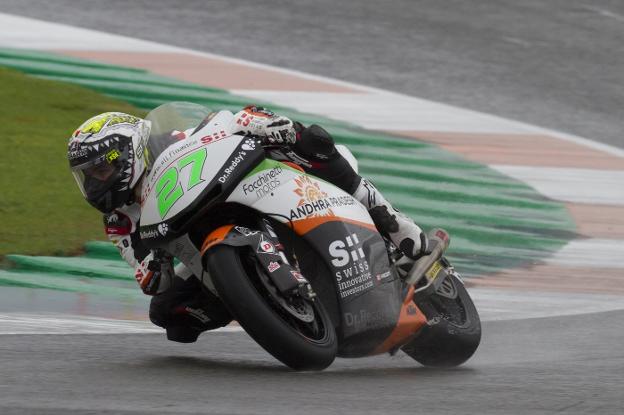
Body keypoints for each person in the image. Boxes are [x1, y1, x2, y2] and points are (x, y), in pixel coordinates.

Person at [67, 105, 428, 343]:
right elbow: (146, 275)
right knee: (169, 314)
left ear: (130, 152)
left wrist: (260, 122)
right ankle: (258, 304)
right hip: (198, 245)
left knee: (310, 139)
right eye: (88, 177)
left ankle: (392, 221)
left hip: (253, 185)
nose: (96, 183)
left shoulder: (172, 141)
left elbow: (223, 122)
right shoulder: (118, 222)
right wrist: (154, 264)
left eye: (101, 169)